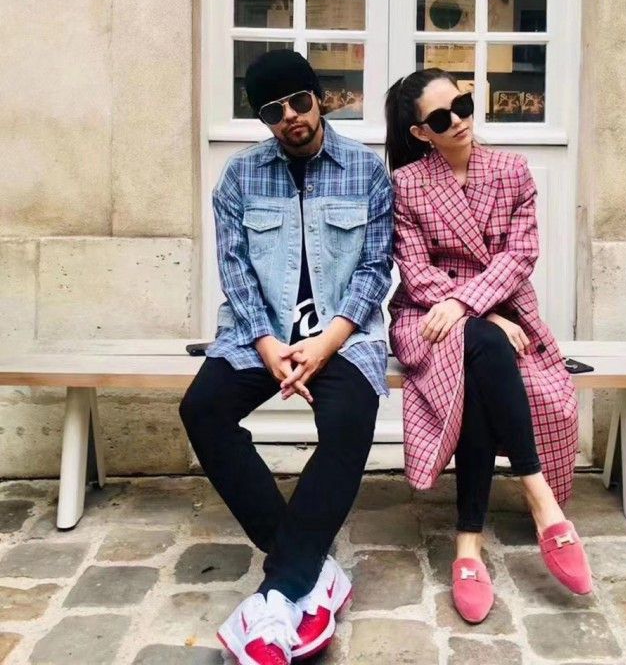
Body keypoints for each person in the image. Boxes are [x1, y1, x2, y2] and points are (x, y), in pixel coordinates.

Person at [180, 50, 393, 665]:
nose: (292, 117)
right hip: (261, 335)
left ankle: (281, 589)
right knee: (202, 410)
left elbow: (375, 268)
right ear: (262, 120)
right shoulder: (240, 177)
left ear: (318, 98)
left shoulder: (366, 170)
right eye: (274, 111)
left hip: (343, 335)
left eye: (300, 101)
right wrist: (268, 344)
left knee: (350, 420)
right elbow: (236, 271)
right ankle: (308, 568)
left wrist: (326, 343)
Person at [384, 68, 591, 624]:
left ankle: (468, 543)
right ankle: (539, 497)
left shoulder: (512, 169)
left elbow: (520, 255)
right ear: (420, 132)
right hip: (427, 316)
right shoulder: (406, 184)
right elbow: (415, 271)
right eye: (441, 118)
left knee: (479, 359)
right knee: (480, 345)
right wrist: (475, 311)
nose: (458, 120)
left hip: (499, 310)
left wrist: (478, 307)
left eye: (464, 105)